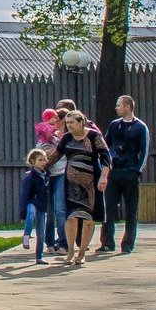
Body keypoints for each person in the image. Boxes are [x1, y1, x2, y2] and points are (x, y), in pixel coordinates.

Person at [49, 110, 109, 267]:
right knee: (71, 217)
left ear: (81, 122)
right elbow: (56, 155)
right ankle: (70, 251)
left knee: (88, 218)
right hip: (71, 184)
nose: (69, 126)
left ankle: (82, 253)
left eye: (72, 123)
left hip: (90, 183)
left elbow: (105, 157)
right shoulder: (67, 138)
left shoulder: (94, 136)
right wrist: (41, 166)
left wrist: (104, 177)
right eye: (67, 123)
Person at [99, 94, 149, 254]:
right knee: (108, 209)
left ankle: (127, 245)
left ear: (128, 107)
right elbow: (106, 146)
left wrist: (137, 171)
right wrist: (105, 166)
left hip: (130, 173)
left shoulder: (140, 127)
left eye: (119, 105)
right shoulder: (114, 125)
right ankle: (107, 243)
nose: (116, 108)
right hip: (114, 172)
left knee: (130, 210)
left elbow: (144, 150)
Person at [19, 148, 52, 263]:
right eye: (40, 160)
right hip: (32, 203)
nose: (43, 162)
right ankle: (26, 236)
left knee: (41, 233)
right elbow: (24, 195)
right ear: (33, 162)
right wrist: (22, 214)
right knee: (31, 212)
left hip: (42, 206)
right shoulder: (30, 177)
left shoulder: (46, 176)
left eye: (44, 159)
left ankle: (39, 256)